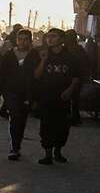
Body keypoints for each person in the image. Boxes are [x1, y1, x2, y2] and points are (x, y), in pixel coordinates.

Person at [33, 29, 87, 164]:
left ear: (62, 40)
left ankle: (58, 151)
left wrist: (70, 91)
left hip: (63, 97)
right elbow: (36, 76)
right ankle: (47, 154)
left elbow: (77, 77)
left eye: (54, 37)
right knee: (46, 126)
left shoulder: (71, 57)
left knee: (62, 126)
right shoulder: (42, 55)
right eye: (48, 37)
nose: (50, 39)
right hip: (46, 96)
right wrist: (43, 61)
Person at [0, 28, 39, 159]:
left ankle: (17, 144)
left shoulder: (36, 55)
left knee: (21, 119)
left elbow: (38, 76)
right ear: (16, 40)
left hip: (28, 93)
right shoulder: (9, 55)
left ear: (30, 41)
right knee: (14, 117)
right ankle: (14, 148)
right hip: (11, 92)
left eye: (25, 40)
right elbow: (2, 75)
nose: (22, 42)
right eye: (20, 39)